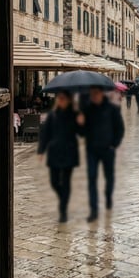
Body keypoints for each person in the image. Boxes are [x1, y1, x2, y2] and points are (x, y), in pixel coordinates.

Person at [77, 86, 125, 222]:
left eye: (95, 94)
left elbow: (120, 129)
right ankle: (93, 210)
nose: (93, 96)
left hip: (107, 149)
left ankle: (108, 198)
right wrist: (80, 124)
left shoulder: (112, 109)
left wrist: (113, 145)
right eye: (91, 94)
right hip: (92, 149)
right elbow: (82, 133)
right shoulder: (87, 110)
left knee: (109, 177)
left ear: (101, 94)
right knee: (92, 178)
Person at [37, 90, 81, 223]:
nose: (60, 101)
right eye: (59, 98)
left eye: (63, 98)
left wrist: (82, 122)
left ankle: (63, 211)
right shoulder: (52, 115)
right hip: (54, 152)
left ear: (68, 100)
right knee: (54, 182)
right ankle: (64, 198)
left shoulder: (74, 115)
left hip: (69, 151)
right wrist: (41, 150)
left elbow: (83, 133)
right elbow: (45, 134)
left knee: (66, 182)